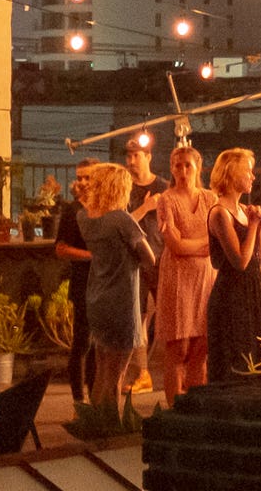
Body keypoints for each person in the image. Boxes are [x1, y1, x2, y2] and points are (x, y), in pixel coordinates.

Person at [75, 160, 157, 407]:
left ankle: (95, 422)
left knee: (102, 369)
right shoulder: (121, 219)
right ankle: (110, 428)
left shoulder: (84, 218)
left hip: (97, 298)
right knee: (117, 374)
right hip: (121, 301)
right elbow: (149, 258)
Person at [146, 141, 215, 402]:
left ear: (198, 168)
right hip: (178, 278)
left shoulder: (209, 198)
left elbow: (215, 237)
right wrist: (201, 245)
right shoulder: (167, 200)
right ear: (172, 169)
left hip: (206, 277)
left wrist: (191, 245)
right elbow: (175, 245)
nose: (183, 170)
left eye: (188, 165)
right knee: (179, 346)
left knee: (201, 347)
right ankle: (175, 408)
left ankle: (196, 406)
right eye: (178, 165)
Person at [205, 147, 261, 379]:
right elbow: (240, 261)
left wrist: (258, 228)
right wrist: (252, 226)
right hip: (231, 296)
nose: (253, 177)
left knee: (257, 356)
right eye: (248, 171)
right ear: (232, 174)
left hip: (252, 291)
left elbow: (257, 257)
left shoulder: (243, 210)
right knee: (237, 360)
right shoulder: (220, 213)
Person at [50, 162, 97, 404]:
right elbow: (61, 249)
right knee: (82, 341)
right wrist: (91, 256)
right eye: (80, 178)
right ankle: (79, 400)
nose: (83, 183)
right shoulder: (72, 210)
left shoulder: (105, 208)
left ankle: (97, 397)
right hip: (82, 281)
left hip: (104, 282)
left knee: (99, 345)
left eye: (88, 178)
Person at [123, 135, 168, 213]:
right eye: (129, 157)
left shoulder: (163, 187)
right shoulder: (123, 187)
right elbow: (121, 223)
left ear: (148, 157)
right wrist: (145, 208)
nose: (132, 162)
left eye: (136, 156)